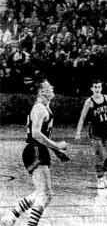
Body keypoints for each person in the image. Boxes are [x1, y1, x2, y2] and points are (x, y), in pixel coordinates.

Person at [0, 78, 69, 226]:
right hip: (35, 150)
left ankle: (10, 217)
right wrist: (57, 146)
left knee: (43, 194)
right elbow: (36, 134)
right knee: (45, 195)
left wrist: (57, 152)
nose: (52, 88)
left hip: (39, 149)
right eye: (50, 87)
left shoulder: (45, 107)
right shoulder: (39, 108)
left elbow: (43, 135)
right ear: (43, 91)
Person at [75, 79, 107, 189]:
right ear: (91, 88)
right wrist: (78, 132)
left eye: (99, 87)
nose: (97, 89)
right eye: (95, 87)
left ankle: (103, 174)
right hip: (96, 131)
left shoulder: (106, 98)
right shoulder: (89, 101)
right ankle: (99, 178)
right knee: (99, 156)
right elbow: (82, 118)